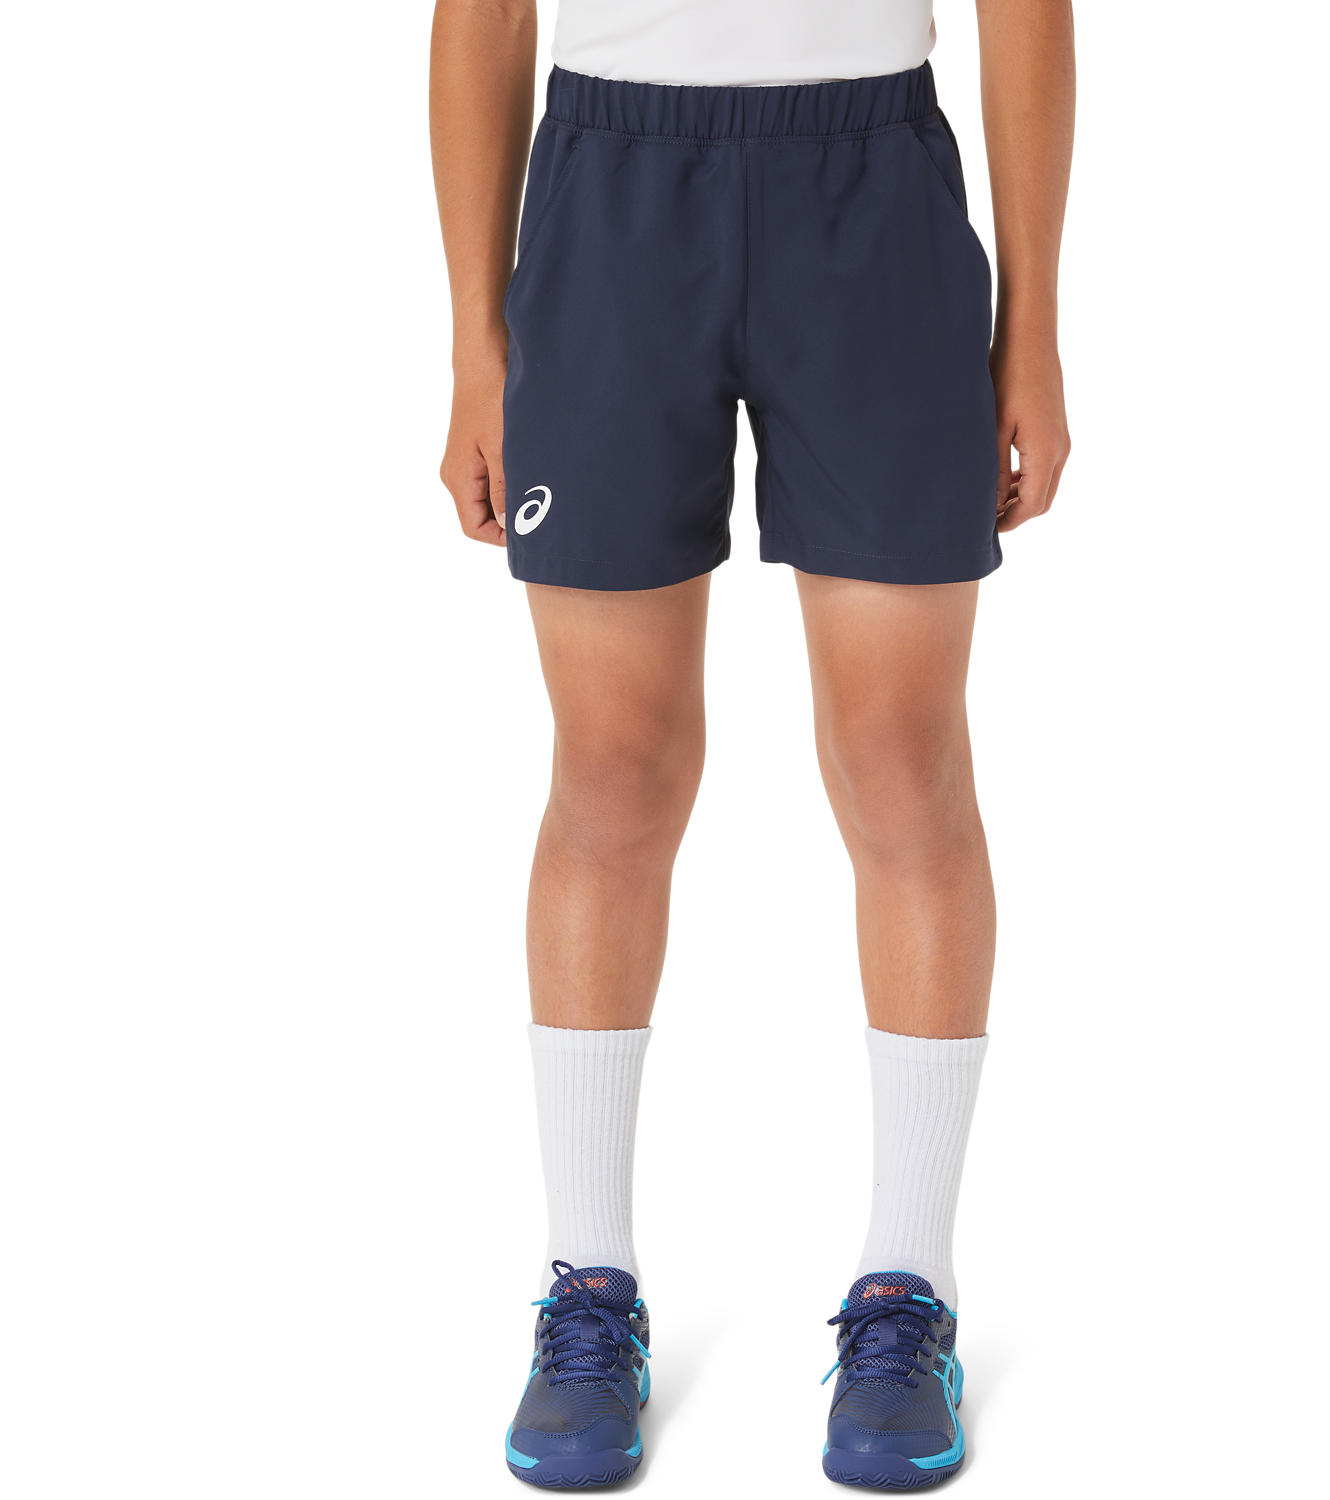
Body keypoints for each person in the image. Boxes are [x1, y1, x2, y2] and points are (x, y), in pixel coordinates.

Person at [430, 0, 1073, 1486]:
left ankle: (908, 1289)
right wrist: (473, 342)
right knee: (613, 770)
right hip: (612, 188)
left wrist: (1032, 325)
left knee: (903, 760)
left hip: (871, 186)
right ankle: (587, 1287)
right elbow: (487, 10)